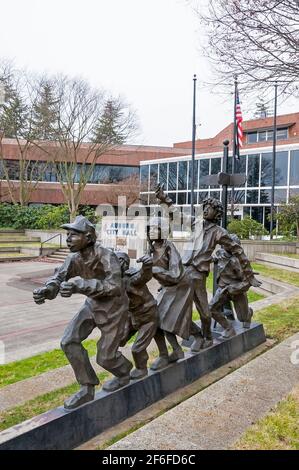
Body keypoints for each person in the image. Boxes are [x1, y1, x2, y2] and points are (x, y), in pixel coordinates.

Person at [33, 215, 132, 409]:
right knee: (69, 341)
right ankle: (87, 388)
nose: (68, 238)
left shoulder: (105, 254)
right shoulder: (73, 258)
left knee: (105, 357)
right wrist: (47, 290)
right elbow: (58, 277)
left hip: (113, 309)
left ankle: (125, 372)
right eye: (67, 234)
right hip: (92, 305)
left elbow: (115, 286)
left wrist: (81, 285)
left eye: (73, 235)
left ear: (88, 237)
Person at [155, 184, 261, 351]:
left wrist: (249, 275)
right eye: (205, 207)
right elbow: (176, 215)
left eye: (210, 208)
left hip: (198, 274)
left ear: (216, 212)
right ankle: (195, 338)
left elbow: (238, 250)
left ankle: (208, 337)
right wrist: (164, 199)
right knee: (173, 306)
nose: (205, 210)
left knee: (205, 311)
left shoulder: (219, 232)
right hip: (182, 272)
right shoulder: (195, 223)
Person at [147, 217, 203, 370]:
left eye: (155, 228)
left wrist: (156, 271)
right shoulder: (151, 248)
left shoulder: (169, 247)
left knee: (170, 318)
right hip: (169, 285)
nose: (152, 231)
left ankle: (197, 336)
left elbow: (176, 273)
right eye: (150, 228)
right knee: (162, 319)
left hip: (181, 285)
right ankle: (175, 351)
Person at [116, 252, 158, 379]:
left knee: (137, 349)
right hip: (131, 316)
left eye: (117, 261)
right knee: (118, 340)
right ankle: (122, 367)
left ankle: (141, 369)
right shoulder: (115, 280)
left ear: (123, 263)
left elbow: (143, 276)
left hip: (147, 316)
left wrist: (147, 265)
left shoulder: (132, 278)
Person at [210, 233, 257, 337]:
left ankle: (248, 314)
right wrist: (213, 258)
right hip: (223, 290)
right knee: (211, 309)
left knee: (242, 318)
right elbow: (216, 258)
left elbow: (247, 282)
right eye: (225, 244)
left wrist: (234, 288)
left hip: (237, 291)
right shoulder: (220, 253)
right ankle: (228, 328)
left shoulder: (240, 261)